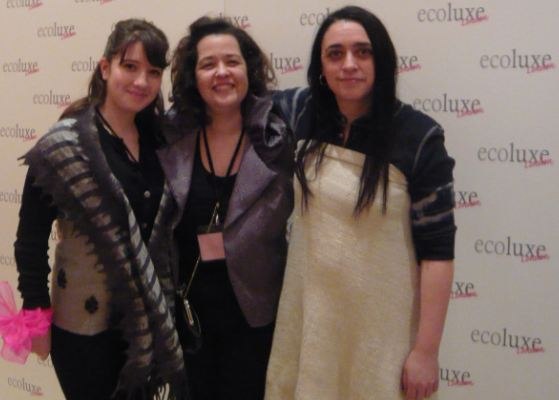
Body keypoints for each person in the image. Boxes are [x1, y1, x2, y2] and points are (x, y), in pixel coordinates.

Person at [265, 6, 456, 400]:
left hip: (381, 330)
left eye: (362, 52)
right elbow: (233, 97)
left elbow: (437, 254)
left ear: (381, 60)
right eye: (335, 54)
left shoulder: (419, 137)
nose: (349, 64)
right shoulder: (302, 112)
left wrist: (426, 351)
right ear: (321, 66)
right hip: (309, 319)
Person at [14, 19, 187, 400]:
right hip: (83, 327)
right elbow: (29, 242)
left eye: (153, 72)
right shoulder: (62, 147)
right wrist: (35, 317)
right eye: (130, 66)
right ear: (105, 68)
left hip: (146, 323)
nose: (141, 81)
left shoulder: (162, 142)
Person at [157, 16, 293, 400]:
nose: (222, 72)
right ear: (192, 76)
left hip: (256, 319)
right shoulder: (170, 137)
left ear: (249, 69)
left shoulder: (278, 139)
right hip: (188, 318)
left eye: (232, 61)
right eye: (208, 64)